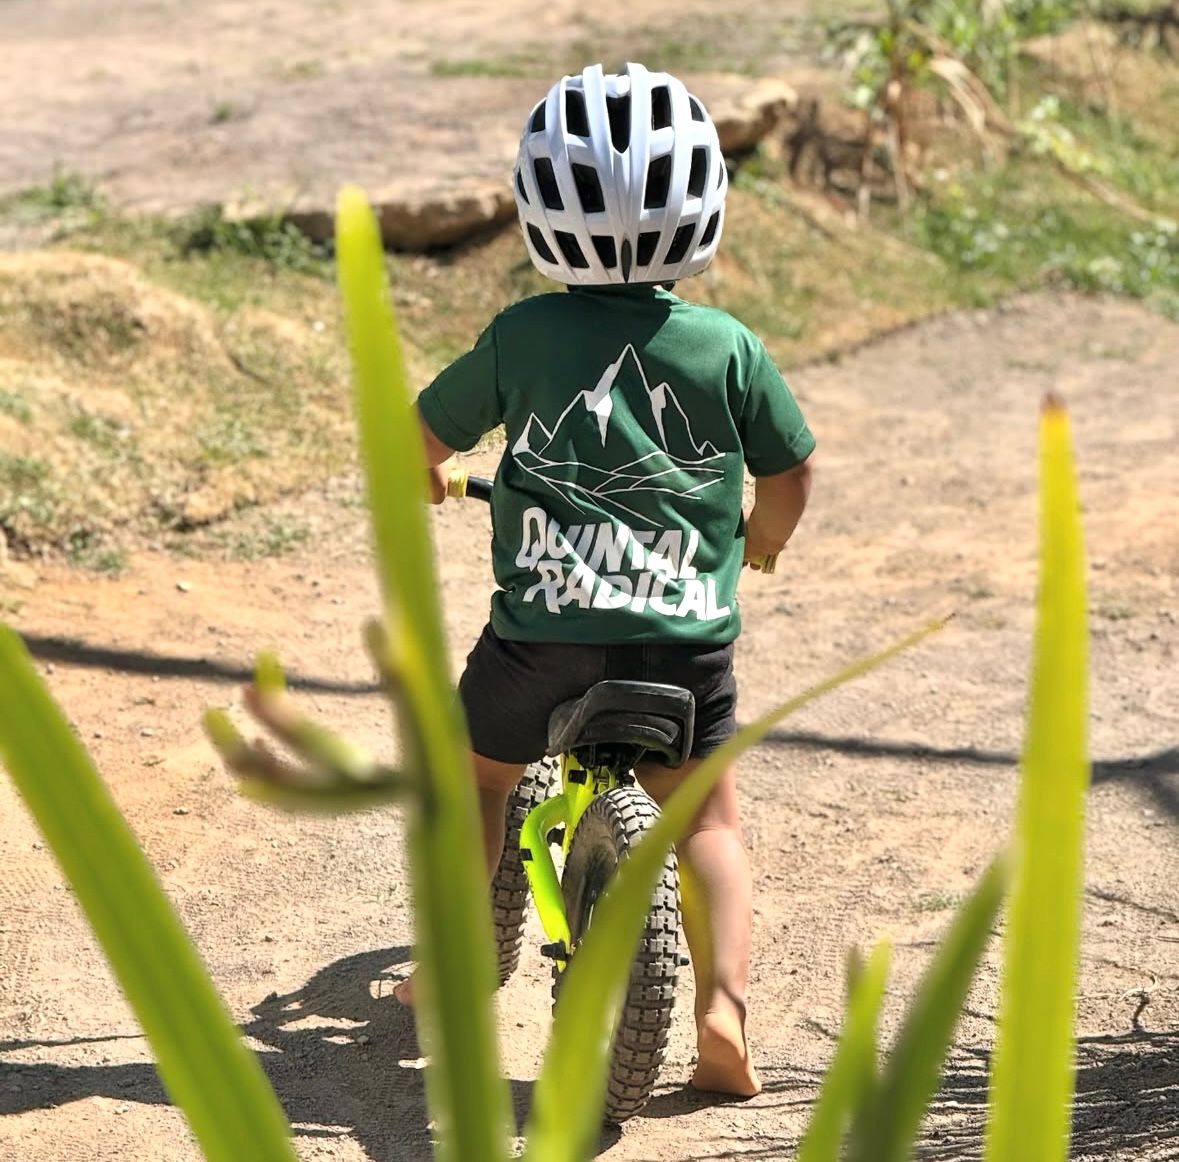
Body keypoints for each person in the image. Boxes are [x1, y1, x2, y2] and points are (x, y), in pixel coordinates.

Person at [401, 62, 814, 1099]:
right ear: (703, 206)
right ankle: (722, 1011)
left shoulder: (520, 337)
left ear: (539, 210)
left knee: (477, 779)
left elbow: (417, 436)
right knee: (707, 823)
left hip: (538, 643)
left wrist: (427, 474)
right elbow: (790, 472)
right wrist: (762, 538)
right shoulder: (727, 347)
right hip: (684, 646)